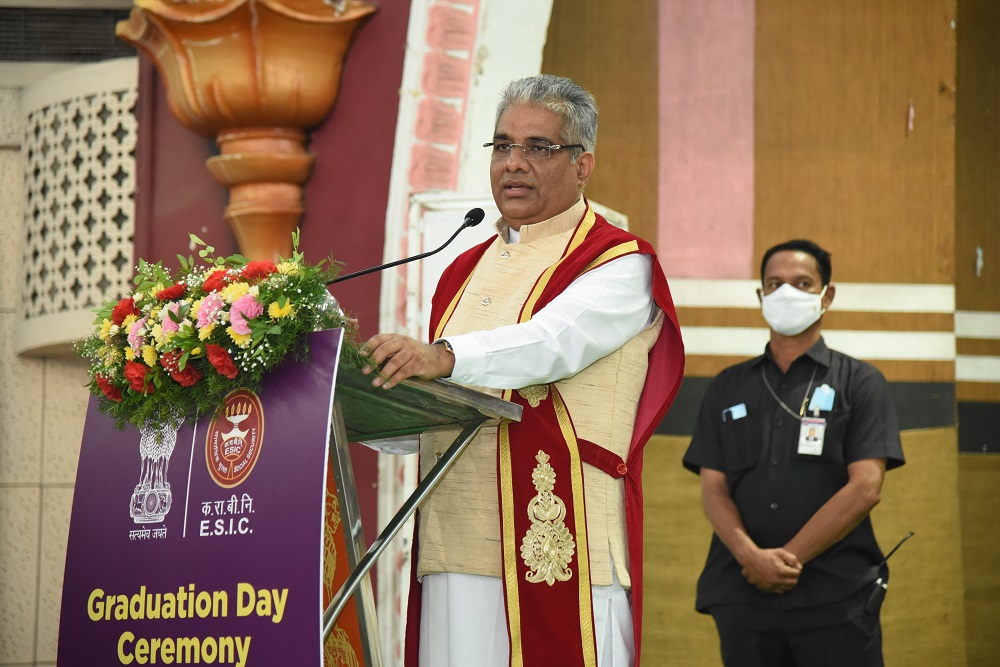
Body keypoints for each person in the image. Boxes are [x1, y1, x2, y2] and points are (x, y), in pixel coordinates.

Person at [361, 74, 684, 667]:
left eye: (539, 147)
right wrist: (362, 408)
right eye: (503, 145)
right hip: (456, 542)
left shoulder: (618, 262)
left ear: (583, 165)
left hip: (563, 540)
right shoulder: (462, 270)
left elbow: (553, 343)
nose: (513, 163)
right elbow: (445, 407)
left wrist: (443, 356)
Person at [682, 239, 905, 666]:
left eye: (803, 284)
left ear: (827, 296)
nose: (787, 293)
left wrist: (787, 561)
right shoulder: (727, 386)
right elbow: (713, 489)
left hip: (836, 596)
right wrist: (752, 558)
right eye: (775, 284)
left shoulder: (860, 383)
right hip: (742, 595)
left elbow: (866, 487)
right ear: (761, 296)